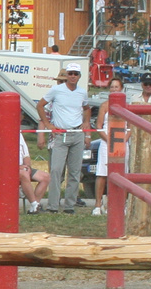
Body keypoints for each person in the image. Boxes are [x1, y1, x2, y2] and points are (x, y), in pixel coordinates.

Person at [40, 63, 90, 212]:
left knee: (75, 172)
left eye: (76, 73)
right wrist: (48, 125)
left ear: (79, 76)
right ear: (66, 75)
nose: (73, 76)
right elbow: (40, 105)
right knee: (56, 170)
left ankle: (69, 205)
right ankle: (53, 206)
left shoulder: (82, 92)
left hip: (77, 134)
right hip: (60, 134)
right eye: (70, 73)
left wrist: (86, 123)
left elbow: (87, 108)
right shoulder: (56, 90)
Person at [90, 76, 126, 215]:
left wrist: (124, 140)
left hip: (122, 143)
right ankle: (98, 205)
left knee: (123, 173)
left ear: (121, 89)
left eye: (116, 87)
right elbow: (99, 126)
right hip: (106, 143)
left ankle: (122, 205)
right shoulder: (104, 105)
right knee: (102, 173)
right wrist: (109, 140)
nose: (114, 89)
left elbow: (131, 127)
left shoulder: (126, 105)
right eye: (112, 87)